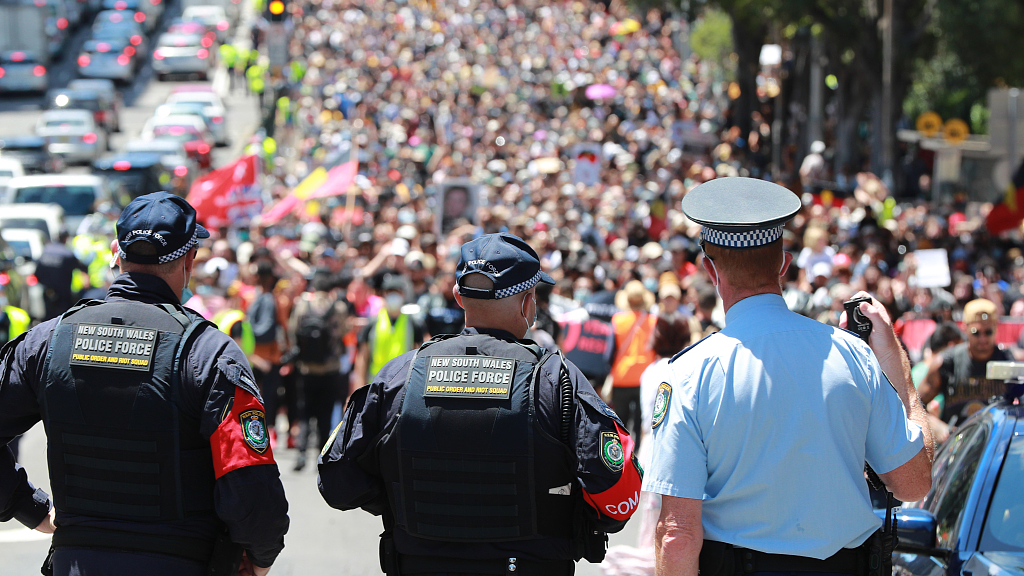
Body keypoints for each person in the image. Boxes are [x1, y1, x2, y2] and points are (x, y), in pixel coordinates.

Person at [645, 178, 933, 576]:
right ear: (783, 264)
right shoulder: (853, 355)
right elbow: (915, 483)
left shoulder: (690, 373)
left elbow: (678, 532)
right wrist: (895, 365)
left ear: (711, 270)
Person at [318, 232, 643, 575]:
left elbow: (338, 483)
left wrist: (400, 499)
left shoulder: (401, 374)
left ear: (459, 297)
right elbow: (617, 496)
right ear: (528, 302)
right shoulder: (557, 379)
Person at [0, 192, 289, 576]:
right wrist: (258, 559)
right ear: (189, 261)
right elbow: (250, 481)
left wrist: (29, 508)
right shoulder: (207, 353)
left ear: (118, 255)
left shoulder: (49, 340)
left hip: (77, 562)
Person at [921, 298, 1021, 424]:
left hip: (995, 441)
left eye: (988, 332)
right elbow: (915, 405)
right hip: (956, 440)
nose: (982, 338)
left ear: (996, 328)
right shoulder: (946, 362)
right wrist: (935, 425)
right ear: (965, 328)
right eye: (976, 332)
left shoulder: (1008, 362)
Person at [287, 267, 348, 471]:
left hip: (306, 369)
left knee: (304, 413)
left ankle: (301, 454)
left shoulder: (303, 305)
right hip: (330, 369)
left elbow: (292, 329)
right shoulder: (338, 308)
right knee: (325, 414)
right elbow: (343, 331)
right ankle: (323, 456)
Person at [352, 274, 424, 390]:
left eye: (397, 292)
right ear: (384, 294)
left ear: (403, 295)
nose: (393, 296)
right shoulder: (373, 322)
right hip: (375, 384)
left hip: (403, 386)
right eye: (390, 292)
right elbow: (362, 358)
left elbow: (420, 356)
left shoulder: (413, 324)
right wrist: (358, 388)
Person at [608, 280, 657, 445]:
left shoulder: (617, 320)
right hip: (645, 377)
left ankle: (622, 456)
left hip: (621, 377)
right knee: (640, 422)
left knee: (620, 422)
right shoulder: (653, 321)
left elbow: (608, 353)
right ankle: (638, 458)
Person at [35, 229, 89, 321]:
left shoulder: (45, 251)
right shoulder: (67, 253)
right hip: (63, 295)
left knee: (47, 320)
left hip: (47, 293)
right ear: (66, 238)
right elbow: (83, 268)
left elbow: (37, 273)